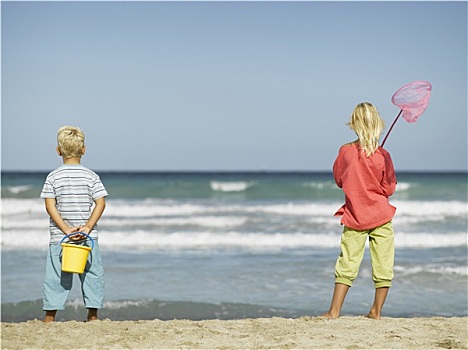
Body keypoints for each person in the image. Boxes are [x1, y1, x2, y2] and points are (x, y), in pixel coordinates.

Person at [322, 102, 397, 320]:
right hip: (381, 216)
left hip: (355, 216)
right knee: (384, 264)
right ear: (377, 124)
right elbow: (389, 188)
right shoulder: (383, 155)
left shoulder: (345, 151)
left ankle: (334, 311)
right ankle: (376, 311)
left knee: (346, 262)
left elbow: (339, 179)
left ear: (354, 125)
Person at [40, 126, 108, 322]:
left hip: (60, 238)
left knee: (56, 277)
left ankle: (50, 317)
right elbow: (100, 203)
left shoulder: (53, 177)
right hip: (88, 238)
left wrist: (66, 230)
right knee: (92, 275)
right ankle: (93, 315)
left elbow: (50, 206)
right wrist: (87, 227)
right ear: (84, 150)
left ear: (58, 150)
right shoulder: (91, 176)